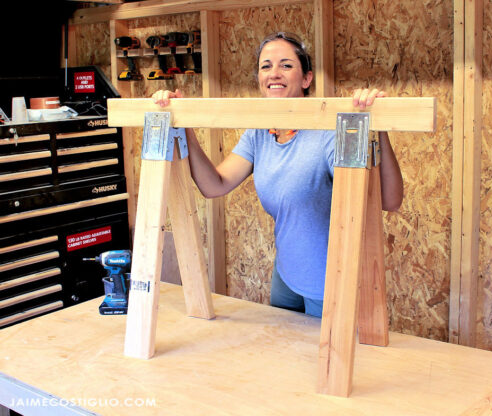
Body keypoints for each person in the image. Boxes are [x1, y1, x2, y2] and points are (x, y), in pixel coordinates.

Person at [152, 31, 403, 318]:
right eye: (266, 66)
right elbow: (215, 185)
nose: (274, 73)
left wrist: (377, 127)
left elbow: (390, 200)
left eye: (286, 65)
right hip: (286, 276)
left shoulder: (329, 133)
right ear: (259, 78)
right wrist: (184, 126)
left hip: (329, 283)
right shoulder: (260, 132)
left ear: (306, 79)